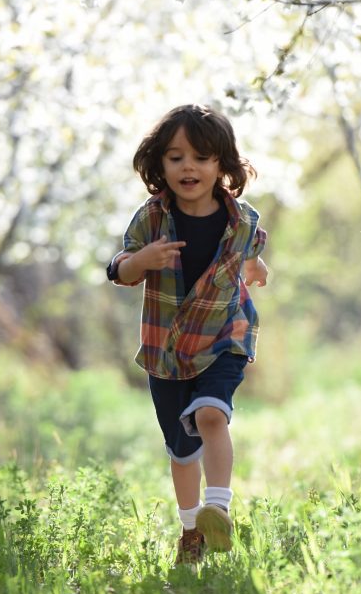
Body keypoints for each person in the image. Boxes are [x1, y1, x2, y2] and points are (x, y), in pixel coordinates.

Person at [106, 103, 268, 565]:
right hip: (169, 350)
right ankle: (191, 528)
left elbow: (250, 250)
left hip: (225, 335)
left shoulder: (242, 220)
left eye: (200, 157)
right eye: (176, 158)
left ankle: (218, 507)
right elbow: (119, 266)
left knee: (211, 416)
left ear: (222, 165)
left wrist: (256, 268)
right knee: (182, 450)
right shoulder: (152, 219)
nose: (188, 167)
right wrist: (140, 262)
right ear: (160, 165)